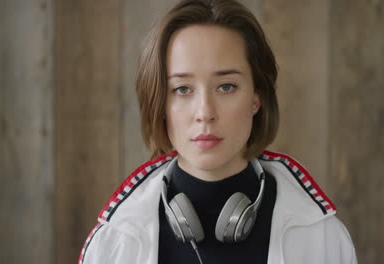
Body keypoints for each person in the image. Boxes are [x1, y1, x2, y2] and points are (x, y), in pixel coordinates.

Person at [79, 0, 357, 263]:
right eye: (182, 89)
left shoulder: (322, 238)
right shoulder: (114, 242)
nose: (205, 112)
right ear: (160, 103)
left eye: (226, 86)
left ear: (256, 98)